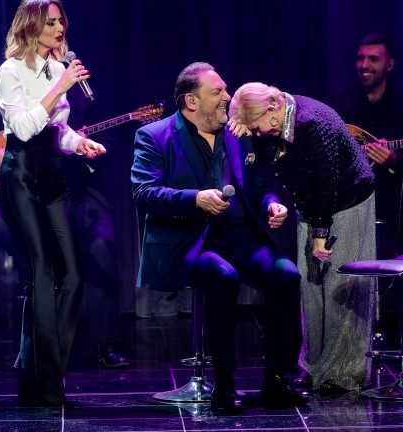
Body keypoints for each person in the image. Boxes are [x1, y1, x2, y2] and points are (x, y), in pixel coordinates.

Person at [131, 62, 306, 415]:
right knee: (223, 277)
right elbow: (144, 193)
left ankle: (275, 379)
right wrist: (194, 198)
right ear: (191, 101)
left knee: (287, 275)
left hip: (239, 236)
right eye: (218, 92)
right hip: (190, 239)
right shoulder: (154, 136)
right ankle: (224, 384)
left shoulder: (237, 133)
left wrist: (272, 205)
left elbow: (259, 186)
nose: (228, 96)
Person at [0, 91, 130, 370]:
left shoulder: (83, 101)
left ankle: (104, 343)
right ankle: (35, 337)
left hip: (76, 190)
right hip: (28, 193)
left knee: (102, 244)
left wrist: (85, 150)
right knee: (2, 224)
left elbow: (107, 151)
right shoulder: (10, 97)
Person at [0, 0, 107, 406]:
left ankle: (39, 370)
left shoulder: (57, 68)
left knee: (73, 275)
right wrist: (60, 86)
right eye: (51, 22)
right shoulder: (10, 71)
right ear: (31, 26)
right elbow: (24, 129)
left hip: (54, 178)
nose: (60, 29)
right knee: (41, 274)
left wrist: (79, 144)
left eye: (61, 21)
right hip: (21, 177)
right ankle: (45, 383)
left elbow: (57, 129)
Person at [228, 83, 376, 392]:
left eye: (257, 127)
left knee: (340, 286)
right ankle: (314, 367)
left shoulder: (312, 121)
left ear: (272, 109)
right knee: (310, 287)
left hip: (347, 201)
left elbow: (327, 181)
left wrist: (320, 233)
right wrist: (244, 132)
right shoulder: (269, 124)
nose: (259, 134)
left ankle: (343, 374)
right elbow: (272, 164)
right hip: (311, 207)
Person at [332, 32, 403, 247]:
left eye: (373, 59)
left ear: (389, 65)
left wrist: (394, 160)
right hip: (353, 200)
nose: (364, 65)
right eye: (360, 58)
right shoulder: (341, 105)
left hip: (396, 199)